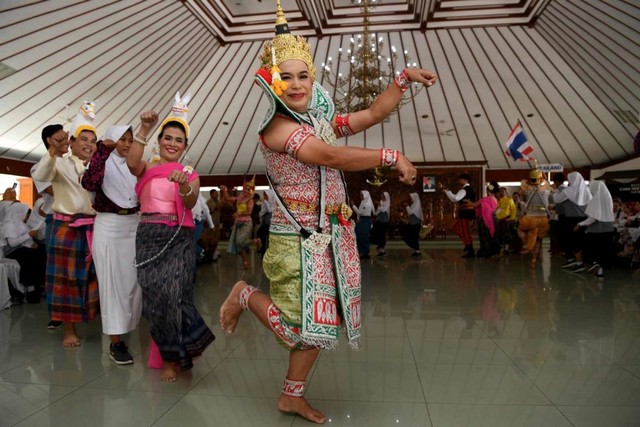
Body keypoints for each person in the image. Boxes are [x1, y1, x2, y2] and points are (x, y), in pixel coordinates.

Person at [219, 3, 435, 424]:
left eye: (304, 75)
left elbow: (373, 113)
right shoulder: (277, 128)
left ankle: (291, 395)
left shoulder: (320, 119)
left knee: (326, 320)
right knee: (300, 328)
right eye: (287, 76)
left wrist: (403, 78)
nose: (297, 84)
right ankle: (244, 294)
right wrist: (391, 156)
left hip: (333, 234)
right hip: (296, 236)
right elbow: (331, 156)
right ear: (271, 81)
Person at [126, 95, 214, 382]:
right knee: (155, 298)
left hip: (179, 236)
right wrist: (143, 128)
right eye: (168, 137)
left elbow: (189, 203)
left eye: (179, 140)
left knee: (175, 295)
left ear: (185, 146)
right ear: (159, 140)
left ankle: (172, 359)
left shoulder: (190, 173)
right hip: (148, 235)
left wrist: (184, 186)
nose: (172, 143)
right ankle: (182, 347)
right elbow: (131, 162)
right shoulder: (148, 168)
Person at [31, 100, 98, 347]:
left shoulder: (97, 167)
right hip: (66, 227)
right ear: (71, 143)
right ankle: (68, 329)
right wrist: (51, 152)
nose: (89, 144)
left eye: (93, 140)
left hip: (93, 228)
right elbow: (40, 175)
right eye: (84, 139)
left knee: (91, 278)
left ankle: (91, 317)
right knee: (65, 280)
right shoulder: (59, 162)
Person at [81, 125, 141, 365]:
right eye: (122, 139)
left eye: (130, 140)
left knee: (132, 282)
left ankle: (127, 328)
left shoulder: (135, 165)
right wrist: (102, 153)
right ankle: (116, 342)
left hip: (133, 225)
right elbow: (90, 183)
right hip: (109, 226)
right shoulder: (100, 162)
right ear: (112, 140)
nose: (126, 144)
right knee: (111, 284)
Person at [0, 202, 46, 304]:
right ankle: (30, 288)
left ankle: (40, 284)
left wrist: (32, 244)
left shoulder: (21, 223)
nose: (26, 216)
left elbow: (26, 240)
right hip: (12, 251)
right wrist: (29, 235)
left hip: (23, 248)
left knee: (41, 251)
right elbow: (12, 243)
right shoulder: (8, 225)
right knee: (28, 255)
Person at [574, 181, 615, 278]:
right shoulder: (607, 197)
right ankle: (600, 272)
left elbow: (593, 218)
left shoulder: (596, 199)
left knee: (594, 249)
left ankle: (594, 263)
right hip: (608, 228)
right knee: (604, 250)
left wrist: (579, 224)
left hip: (598, 229)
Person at [554, 171, 591, 269]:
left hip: (572, 218)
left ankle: (579, 263)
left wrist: (554, 191)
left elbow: (557, 199)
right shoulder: (586, 190)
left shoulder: (569, 190)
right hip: (585, 218)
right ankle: (578, 261)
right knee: (580, 240)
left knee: (574, 240)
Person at [517, 163, 551, 268]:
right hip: (543, 218)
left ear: (530, 178)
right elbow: (546, 184)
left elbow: (522, 183)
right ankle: (533, 261)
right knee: (539, 240)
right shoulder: (546, 189)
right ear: (540, 178)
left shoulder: (527, 188)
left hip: (530, 218)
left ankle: (525, 244)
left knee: (519, 228)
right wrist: (542, 177)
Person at [222, 178, 256, 269]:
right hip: (238, 223)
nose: (245, 190)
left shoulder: (250, 200)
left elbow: (249, 212)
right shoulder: (239, 198)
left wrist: (238, 213)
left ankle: (256, 241)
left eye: (248, 189)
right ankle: (245, 263)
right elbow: (227, 199)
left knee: (240, 241)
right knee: (239, 245)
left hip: (246, 223)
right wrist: (225, 190)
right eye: (244, 188)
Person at [444, 174, 476, 257]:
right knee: (458, 228)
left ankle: (470, 249)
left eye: (460, 179)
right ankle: (467, 245)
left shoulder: (464, 190)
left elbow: (455, 199)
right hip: (467, 212)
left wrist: (447, 192)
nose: (459, 181)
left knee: (465, 231)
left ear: (466, 180)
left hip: (465, 213)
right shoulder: (469, 190)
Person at [475, 182, 500, 258]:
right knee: (493, 235)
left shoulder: (485, 199)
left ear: (488, 190)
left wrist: (468, 202)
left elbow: (474, 205)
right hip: (494, 219)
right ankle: (494, 251)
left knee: (485, 235)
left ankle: (486, 251)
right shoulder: (495, 199)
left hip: (486, 219)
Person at [352, 190, 374, 259]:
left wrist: (353, 206)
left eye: (362, 195)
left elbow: (360, 213)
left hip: (365, 221)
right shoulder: (363, 202)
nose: (361, 196)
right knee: (359, 235)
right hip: (362, 221)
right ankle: (362, 251)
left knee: (364, 236)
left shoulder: (367, 204)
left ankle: (365, 252)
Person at [495, 187, 516, 256]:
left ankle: (506, 249)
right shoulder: (496, 200)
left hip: (507, 219)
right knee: (499, 234)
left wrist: (512, 218)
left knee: (507, 234)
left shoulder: (509, 200)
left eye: (503, 191)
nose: (501, 193)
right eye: (500, 191)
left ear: (506, 192)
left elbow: (513, 209)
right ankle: (501, 248)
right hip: (498, 220)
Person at [401, 192, 423, 257]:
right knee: (413, 236)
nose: (410, 199)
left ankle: (417, 251)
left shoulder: (416, 204)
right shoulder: (414, 204)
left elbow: (410, 212)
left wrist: (407, 206)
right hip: (413, 223)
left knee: (415, 237)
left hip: (416, 223)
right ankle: (416, 250)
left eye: (411, 197)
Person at [371, 191, 390, 257]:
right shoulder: (381, 202)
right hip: (379, 219)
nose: (382, 197)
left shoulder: (387, 202)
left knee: (382, 234)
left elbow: (383, 210)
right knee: (377, 233)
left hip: (384, 221)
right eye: (381, 195)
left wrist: (379, 204)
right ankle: (380, 248)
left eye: (383, 196)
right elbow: (378, 211)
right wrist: (375, 214)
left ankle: (382, 250)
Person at [257, 190, 274, 256]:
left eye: (266, 195)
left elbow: (269, 210)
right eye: (264, 195)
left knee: (260, 234)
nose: (265, 197)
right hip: (266, 223)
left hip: (268, 224)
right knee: (262, 236)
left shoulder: (269, 202)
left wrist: (265, 202)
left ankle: (263, 250)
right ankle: (263, 250)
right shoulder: (266, 202)